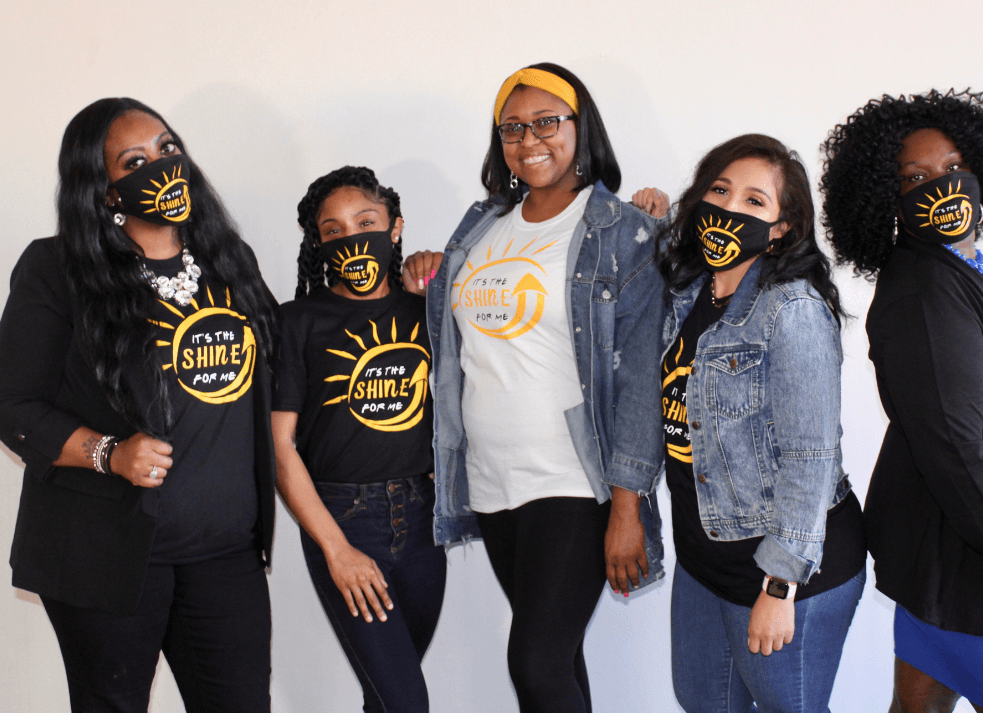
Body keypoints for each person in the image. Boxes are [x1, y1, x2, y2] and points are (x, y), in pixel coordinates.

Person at [0, 98, 279, 711]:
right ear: (104, 192)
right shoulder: (57, 269)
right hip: (107, 554)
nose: (162, 166)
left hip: (226, 554)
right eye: (135, 162)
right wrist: (109, 453)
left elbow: (285, 363)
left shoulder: (230, 260)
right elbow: (13, 405)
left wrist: (411, 283)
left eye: (167, 149)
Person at [421, 62, 666, 713]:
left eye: (547, 122)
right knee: (557, 663)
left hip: (572, 482)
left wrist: (627, 508)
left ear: (581, 128)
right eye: (512, 127)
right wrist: (423, 268)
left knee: (534, 663)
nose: (529, 140)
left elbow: (641, 380)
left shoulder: (623, 231)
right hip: (492, 481)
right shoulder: (481, 226)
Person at [820, 89, 983, 713]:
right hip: (981, 575)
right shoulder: (926, 291)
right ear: (888, 199)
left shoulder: (966, 266)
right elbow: (954, 447)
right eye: (916, 177)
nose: (942, 186)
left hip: (955, 559)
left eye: (954, 167)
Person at [641, 134, 866, 712]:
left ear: (781, 229)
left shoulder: (793, 310)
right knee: (703, 700)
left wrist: (780, 585)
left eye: (754, 201)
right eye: (720, 191)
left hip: (787, 565)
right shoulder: (689, 291)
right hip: (704, 556)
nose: (729, 209)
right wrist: (651, 214)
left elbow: (811, 459)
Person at [272, 165, 445, 713]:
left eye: (366, 222)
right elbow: (280, 448)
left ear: (395, 226)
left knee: (386, 696)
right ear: (318, 244)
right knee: (405, 702)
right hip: (346, 519)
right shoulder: (297, 322)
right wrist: (336, 549)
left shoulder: (427, 310)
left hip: (424, 520)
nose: (352, 239)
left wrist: (441, 271)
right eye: (334, 231)